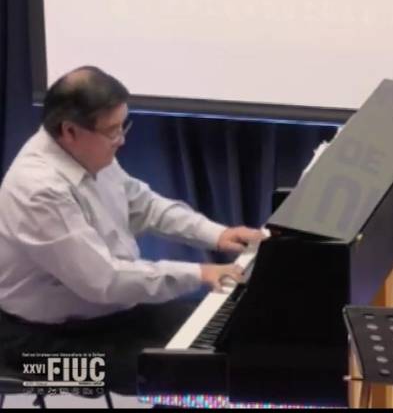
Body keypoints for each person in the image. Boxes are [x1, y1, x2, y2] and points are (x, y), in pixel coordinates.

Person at [0, 66, 269, 395]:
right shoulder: (38, 189)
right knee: (176, 374)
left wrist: (216, 234)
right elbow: (104, 281)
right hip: (37, 346)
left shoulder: (88, 150)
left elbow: (144, 205)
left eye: (122, 126)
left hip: (107, 316)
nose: (122, 139)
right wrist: (200, 272)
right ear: (69, 131)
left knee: (223, 333)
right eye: (112, 131)